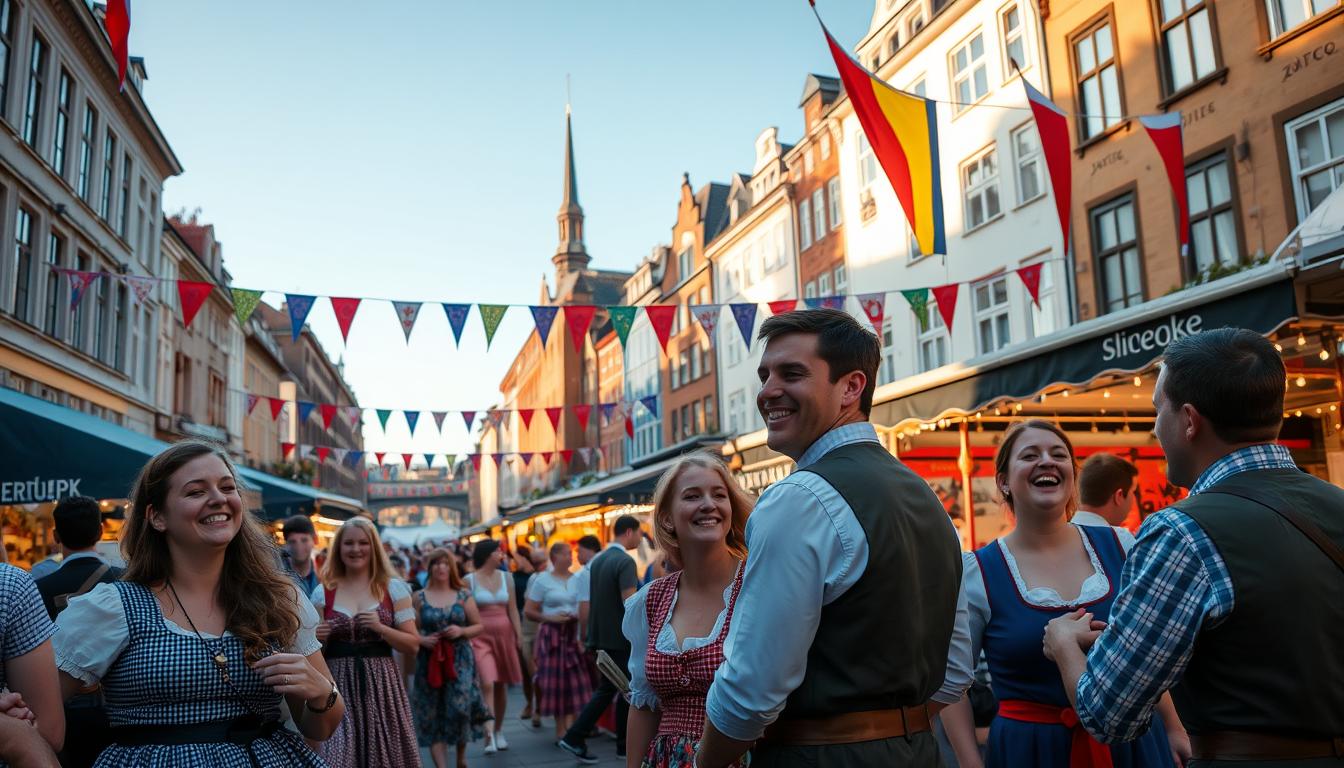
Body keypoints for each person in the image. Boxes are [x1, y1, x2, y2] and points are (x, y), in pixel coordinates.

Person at [1045, 328, 1344, 765]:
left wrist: (1063, 643)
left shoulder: (1182, 532)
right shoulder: (1337, 504)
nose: (1153, 428)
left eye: (1157, 411)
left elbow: (1108, 712)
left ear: (1189, 420)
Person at [696, 308, 970, 768]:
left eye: (792, 373)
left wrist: (706, 761)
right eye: (765, 375)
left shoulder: (797, 499)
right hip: (917, 752)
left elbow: (751, 690)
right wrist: (891, 726)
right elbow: (956, 669)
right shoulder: (925, 495)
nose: (767, 391)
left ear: (850, 387)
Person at [53, 440, 341, 766]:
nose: (218, 499)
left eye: (227, 487)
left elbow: (320, 728)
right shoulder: (113, 608)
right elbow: (39, 717)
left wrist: (320, 691)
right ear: (157, 517)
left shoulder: (277, 599)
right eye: (195, 492)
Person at [940, 420, 1182, 768]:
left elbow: (1145, 656)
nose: (1047, 461)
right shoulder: (978, 571)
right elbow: (954, 684)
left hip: (1132, 744)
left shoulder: (1121, 546)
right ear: (1004, 481)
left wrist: (1174, 727)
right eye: (1029, 455)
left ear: (1072, 475)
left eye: (1058, 454)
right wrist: (970, 762)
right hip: (1031, 750)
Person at [625, 451, 753, 768]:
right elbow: (644, 707)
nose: (708, 504)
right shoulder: (651, 600)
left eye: (718, 495)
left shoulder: (757, 588)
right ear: (667, 517)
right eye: (692, 496)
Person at [312, 516, 421, 767]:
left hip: (382, 685)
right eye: (348, 543)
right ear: (339, 548)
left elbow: (412, 645)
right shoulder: (323, 592)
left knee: (386, 753)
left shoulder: (393, 589)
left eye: (363, 543)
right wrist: (319, 638)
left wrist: (380, 628)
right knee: (338, 755)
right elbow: (315, 654)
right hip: (337, 684)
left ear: (374, 547)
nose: (356, 549)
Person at [35, 496, 124, 767]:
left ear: (55, 535)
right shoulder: (126, 583)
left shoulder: (37, 586)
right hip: (114, 705)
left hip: (57, 707)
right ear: (99, 531)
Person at [558, 516, 643, 763]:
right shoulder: (625, 561)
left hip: (602, 637)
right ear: (629, 532)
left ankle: (614, 744)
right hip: (621, 637)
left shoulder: (598, 561)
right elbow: (631, 603)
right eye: (639, 533)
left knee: (612, 689)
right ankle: (580, 737)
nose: (640, 538)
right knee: (624, 690)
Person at [410, 549, 491, 768]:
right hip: (430, 660)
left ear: (451, 567)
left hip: (460, 659)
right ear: (430, 568)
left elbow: (478, 626)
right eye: (436, 563)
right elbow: (410, 630)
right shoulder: (419, 597)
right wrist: (422, 639)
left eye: (445, 563)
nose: (441, 567)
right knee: (432, 711)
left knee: (460, 708)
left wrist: (461, 631)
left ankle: (461, 757)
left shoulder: (463, 594)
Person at [525, 542, 591, 741]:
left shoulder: (578, 579)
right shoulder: (542, 580)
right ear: (554, 557)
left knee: (574, 680)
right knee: (556, 682)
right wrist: (551, 618)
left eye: (571, 554)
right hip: (552, 634)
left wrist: (582, 633)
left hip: (572, 632)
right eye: (566, 554)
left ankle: (571, 726)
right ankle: (560, 727)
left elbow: (583, 607)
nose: (571, 557)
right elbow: (529, 610)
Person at [465, 539, 523, 754]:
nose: (501, 554)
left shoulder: (507, 578)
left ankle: (498, 730)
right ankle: (488, 733)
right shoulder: (468, 580)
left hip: (505, 634)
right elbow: (466, 612)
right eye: (498, 551)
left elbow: (514, 610)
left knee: (502, 684)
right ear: (488, 554)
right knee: (487, 682)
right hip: (480, 636)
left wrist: (518, 636)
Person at [1072, 453, 1139, 549]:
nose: (1133, 498)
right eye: (1133, 492)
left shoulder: (1055, 535)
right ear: (1119, 496)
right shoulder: (1122, 541)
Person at [518, 546, 549, 728]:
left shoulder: (548, 577)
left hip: (544, 627)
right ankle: (532, 704)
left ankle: (538, 708)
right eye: (536, 563)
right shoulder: (534, 578)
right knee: (529, 671)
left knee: (538, 672)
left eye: (542, 562)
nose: (540, 566)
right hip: (530, 628)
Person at [282, 515, 320, 597]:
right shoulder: (278, 579)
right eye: (292, 541)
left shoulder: (323, 576)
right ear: (286, 544)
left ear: (315, 540)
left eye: (304, 540)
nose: (299, 547)